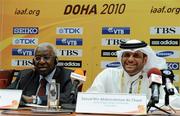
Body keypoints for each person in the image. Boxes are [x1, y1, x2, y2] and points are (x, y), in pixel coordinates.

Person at [87, 39, 178, 101]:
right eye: (126, 55)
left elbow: (174, 103)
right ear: (121, 58)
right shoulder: (108, 75)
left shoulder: (154, 78)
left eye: (136, 56)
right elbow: (90, 99)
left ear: (145, 59)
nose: (130, 59)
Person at [8, 42, 75, 105]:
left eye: (46, 58)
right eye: (38, 58)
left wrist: (35, 99)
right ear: (33, 62)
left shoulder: (68, 76)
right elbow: (7, 93)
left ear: (55, 61)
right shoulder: (25, 75)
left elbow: (69, 98)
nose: (41, 62)